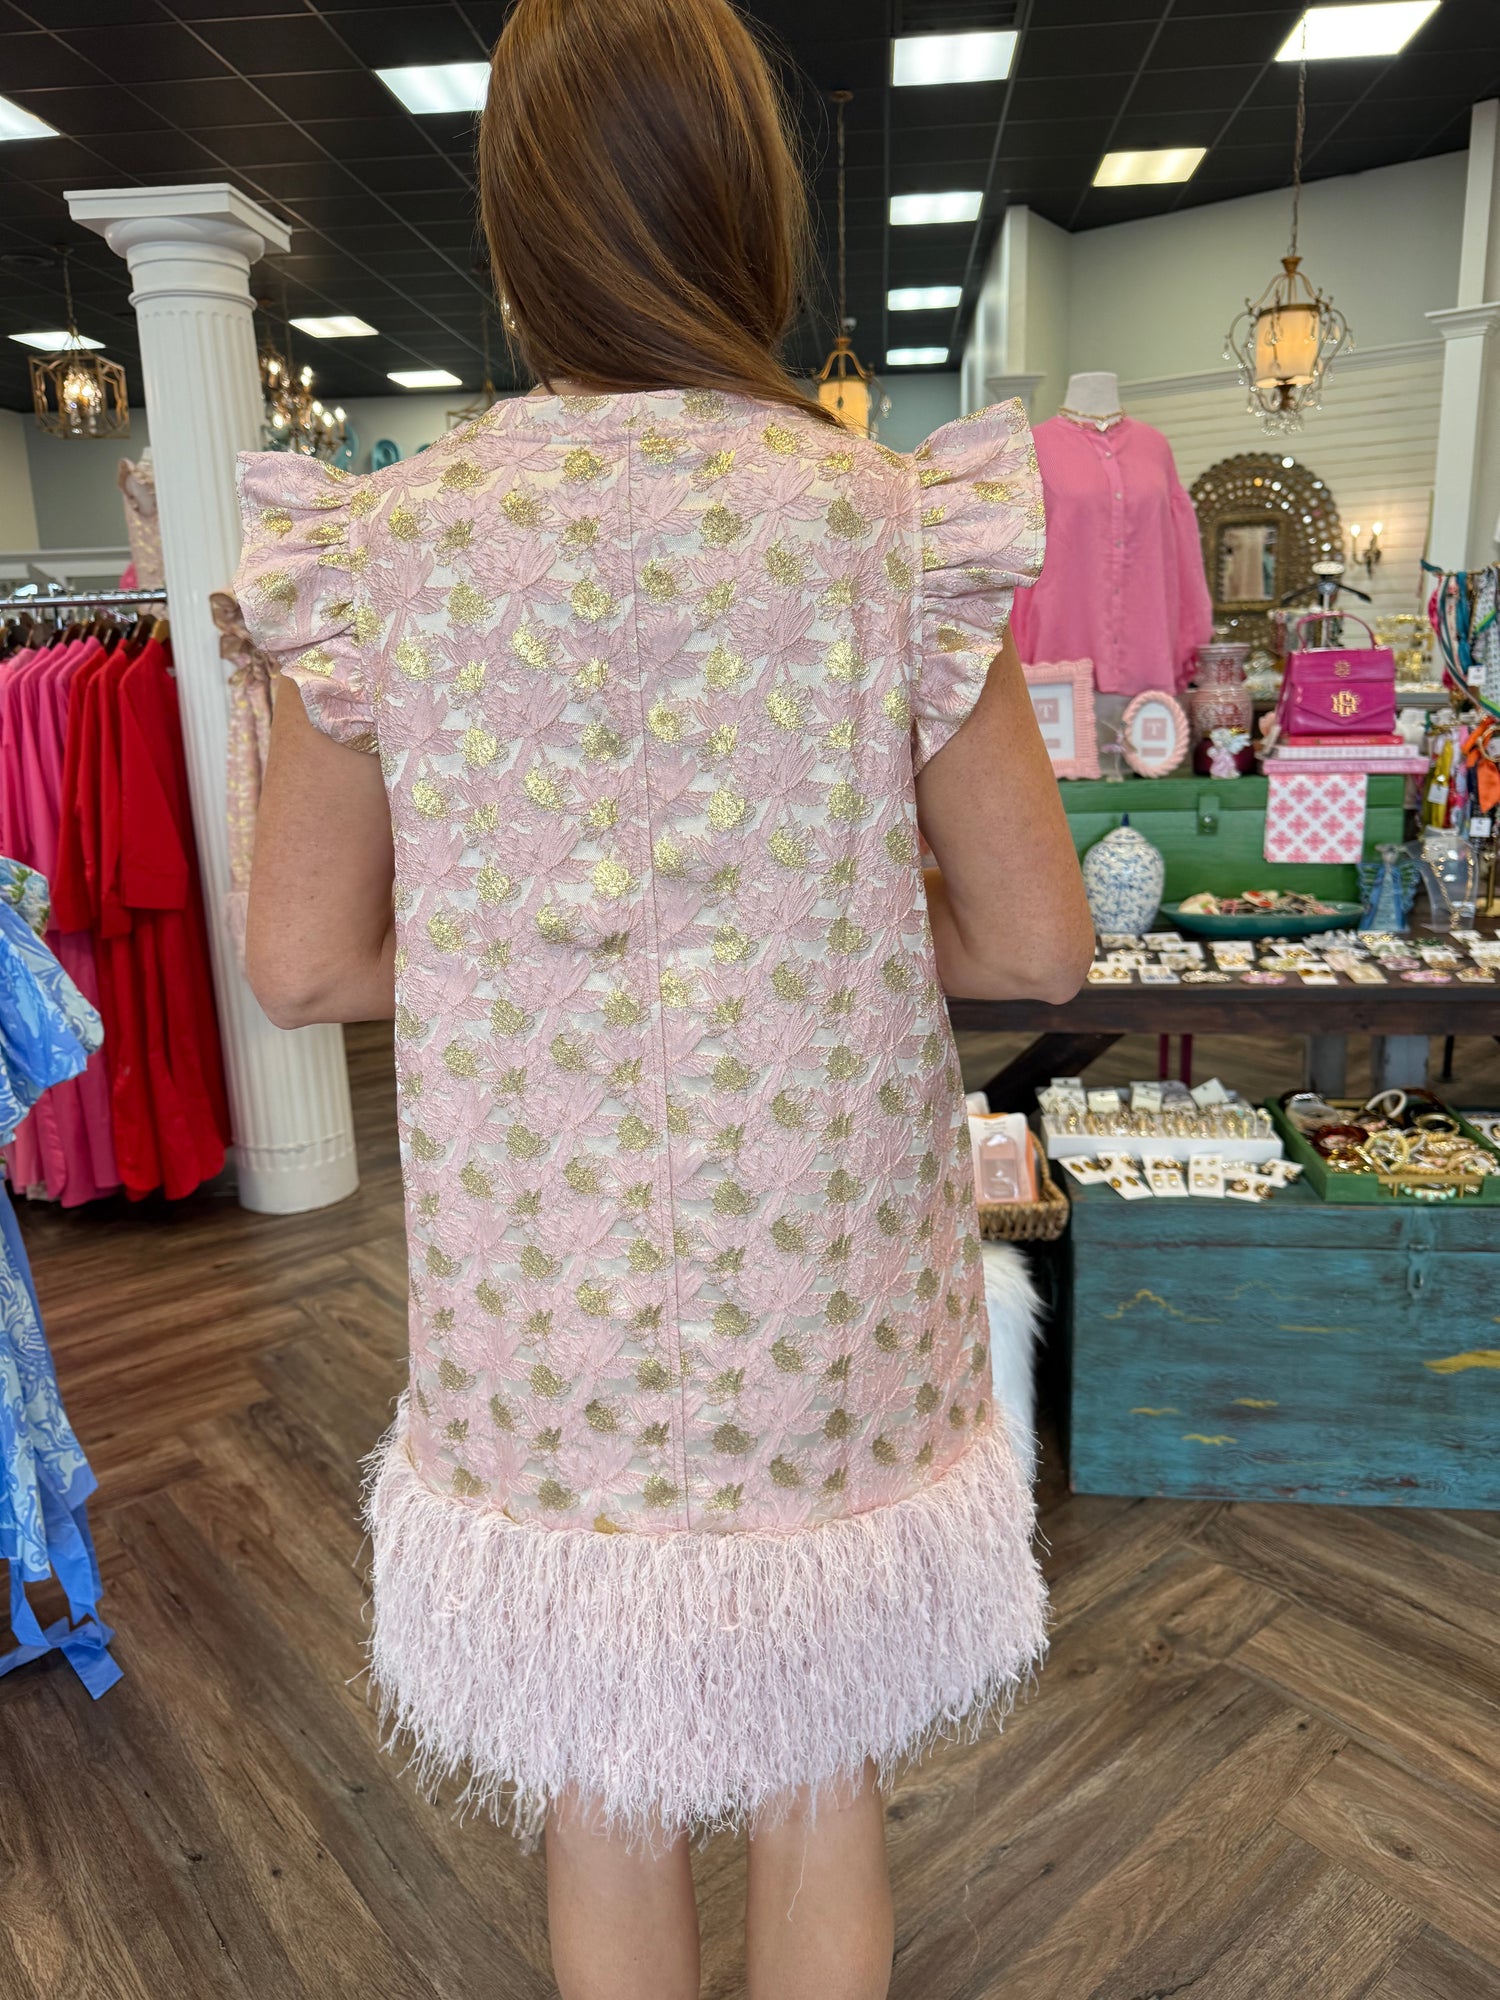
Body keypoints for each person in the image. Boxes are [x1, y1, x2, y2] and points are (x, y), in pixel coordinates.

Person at [233, 0, 1093, 1993]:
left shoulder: (382, 550)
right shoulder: (886, 528)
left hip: (546, 1289)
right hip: (825, 1283)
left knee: (598, 1781)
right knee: (819, 1768)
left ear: (513, 221)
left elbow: (301, 962)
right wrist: (820, 937)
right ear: (752, 204)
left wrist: (516, 959)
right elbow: (1040, 949)